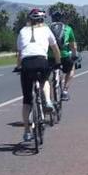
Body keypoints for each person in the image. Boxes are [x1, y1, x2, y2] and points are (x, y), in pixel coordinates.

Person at [15, 8, 61, 142]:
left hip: (27, 64)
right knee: (45, 80)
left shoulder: (22, 31)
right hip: (41, 61)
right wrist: (58, 62)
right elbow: (55, 49)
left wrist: (18, 67)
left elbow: (19, 53)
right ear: (42, 20)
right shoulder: (47, 30)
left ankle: (27, 131)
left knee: (27, 99)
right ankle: (47, 100)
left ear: (30, 20)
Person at [48, 9, 79, 100]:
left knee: (46, 75)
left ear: (52, 19)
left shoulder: (48, 29)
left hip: (50, 56)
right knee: (71, 68)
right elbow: (73, 46)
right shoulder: (68, 28)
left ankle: (47, 97)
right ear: (62, 19)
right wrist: (74, 55)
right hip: (64, 55)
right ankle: (65, 91)